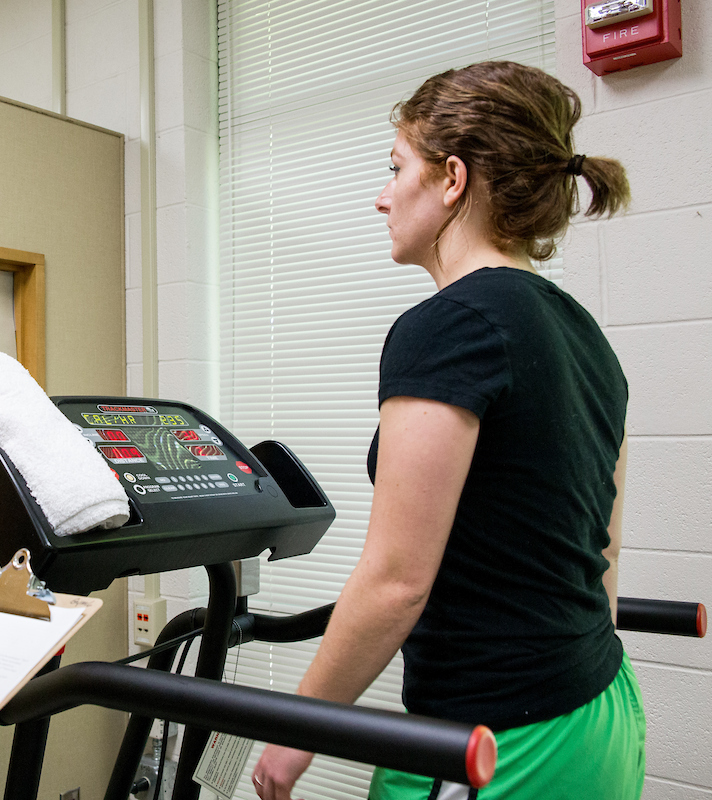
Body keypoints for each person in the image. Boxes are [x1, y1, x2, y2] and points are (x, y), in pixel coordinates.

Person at [252, 61, 642, 800]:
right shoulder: (585, 335)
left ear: (452, 179)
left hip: (498, 740)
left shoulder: (450, 326)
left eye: (397, 168)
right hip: (599, 710)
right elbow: (603, 555)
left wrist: (295, 732)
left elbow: (397, 582)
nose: (381, 196)